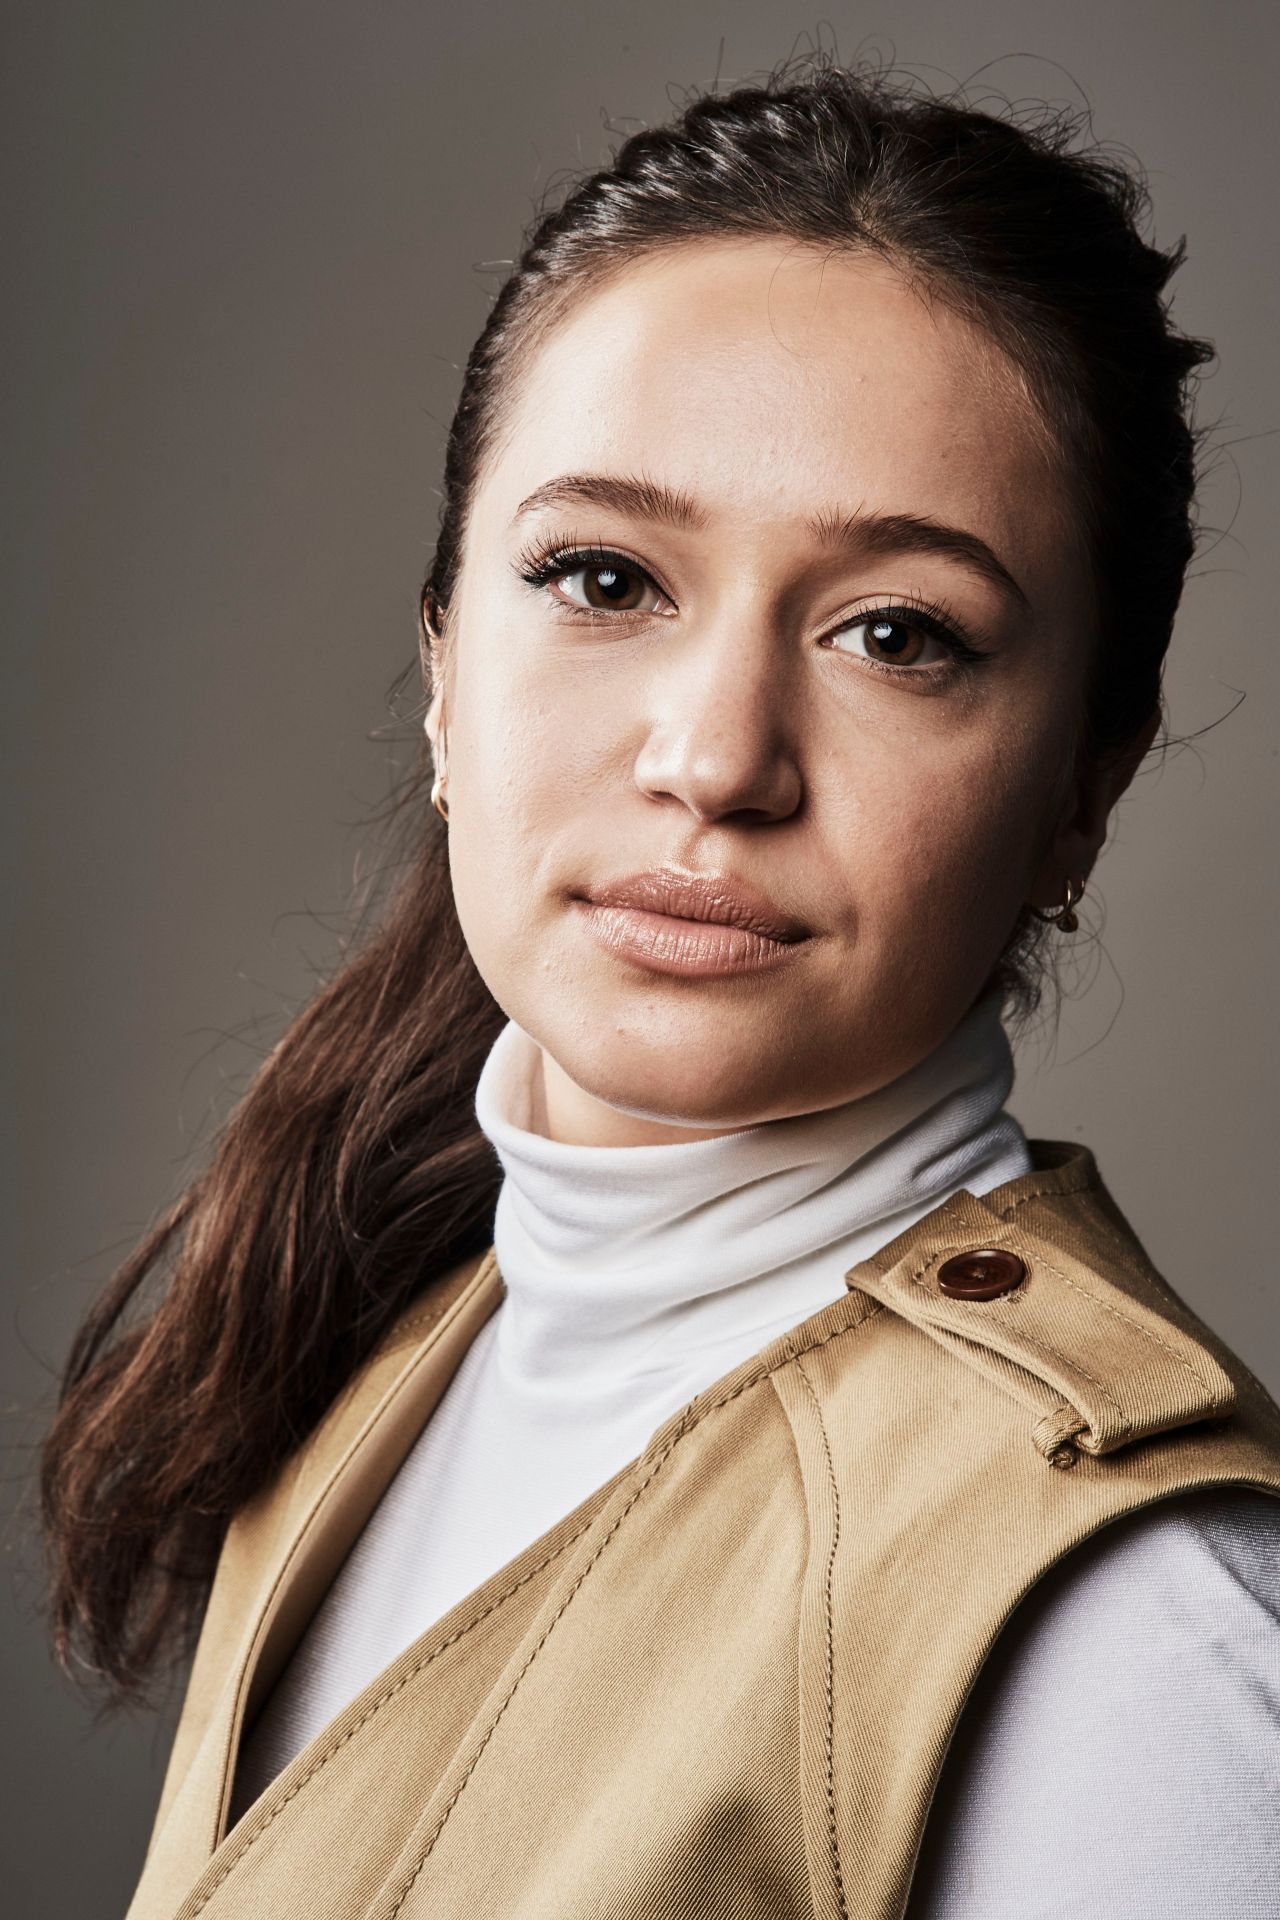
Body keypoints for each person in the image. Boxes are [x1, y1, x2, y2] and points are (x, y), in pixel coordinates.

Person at [41, 53, 1280, 1920]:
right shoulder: (395, 1352)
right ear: (447, 673)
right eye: (608, 577)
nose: (717, 759)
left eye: (897, 633)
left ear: (1081, 796)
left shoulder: (1123, 1626)